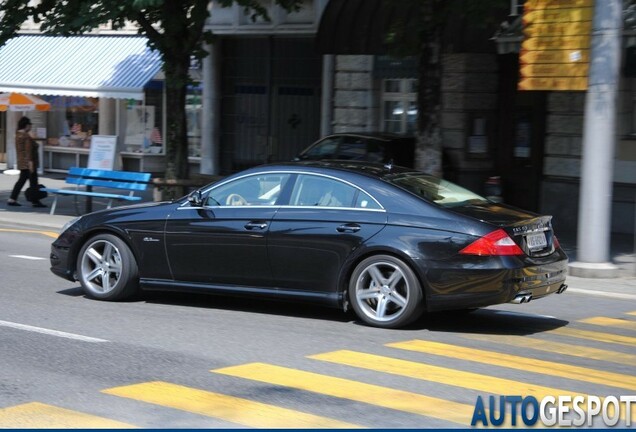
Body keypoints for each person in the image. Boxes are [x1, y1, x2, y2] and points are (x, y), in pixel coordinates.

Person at [7, 116, 46, 208]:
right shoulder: (26, 136)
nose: (31, 127)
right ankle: (35, 201)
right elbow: (28, 151)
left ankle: (12, 199)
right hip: (29, 163)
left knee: (21, 181)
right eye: (30, 125)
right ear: (27, 125)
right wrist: (31, 163)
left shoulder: (17, 135)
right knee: (33, 183)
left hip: (21, 163)